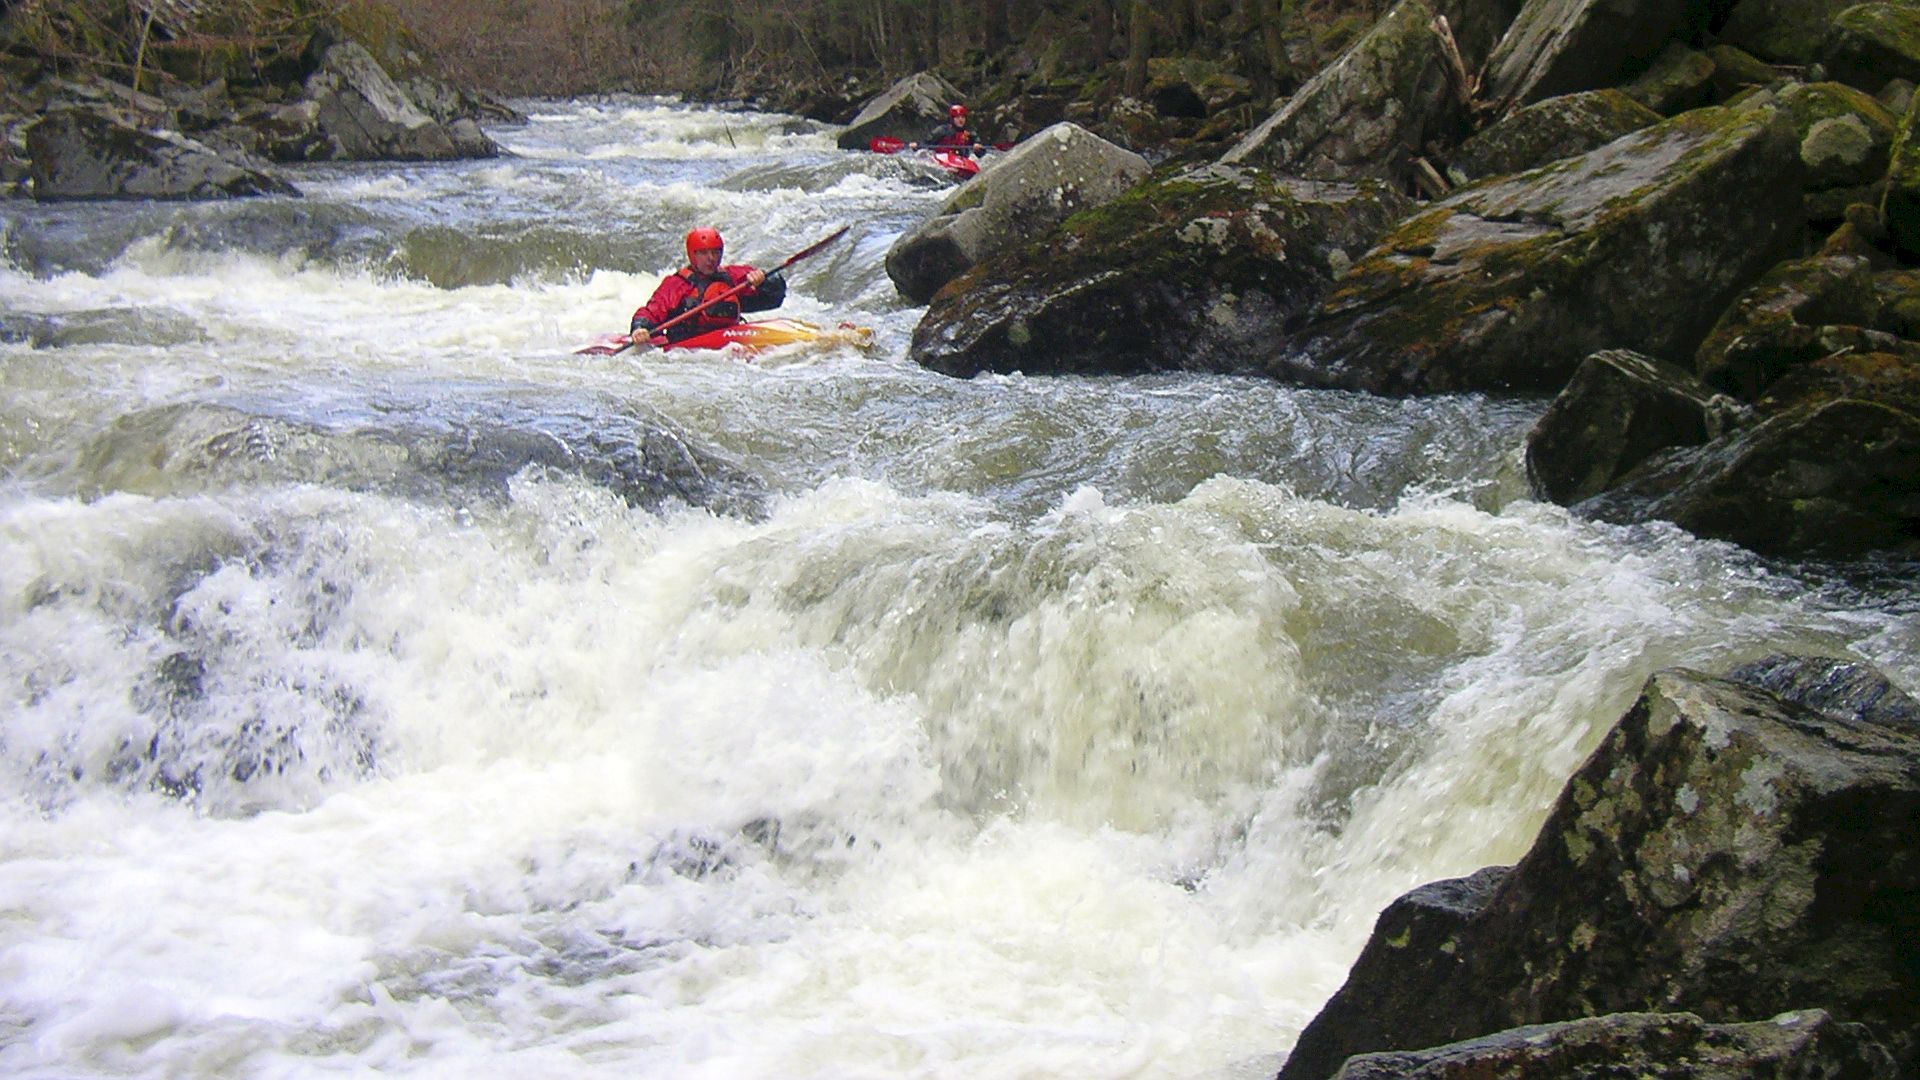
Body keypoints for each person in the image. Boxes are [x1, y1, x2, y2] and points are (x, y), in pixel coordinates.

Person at [629, 227, 787, 346]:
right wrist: (640, 328)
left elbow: (775, 297)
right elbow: (651, 312)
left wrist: (765, 281)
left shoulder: (733, 276)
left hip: (728, 342)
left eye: (715, 252)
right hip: (687, 348)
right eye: (703, 253)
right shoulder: (677, 284)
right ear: (693, 255)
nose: (711, 258)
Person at [913, 104, 982, 157]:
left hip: (961, 160)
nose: (961, 120)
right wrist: (917, 146)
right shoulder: (942, 130)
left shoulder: (969, 133)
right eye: (957, 117)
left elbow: (981, 153)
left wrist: (977, 147)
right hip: (942, 158)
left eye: (963, 117)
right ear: (952, 119)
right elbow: (927, 143)